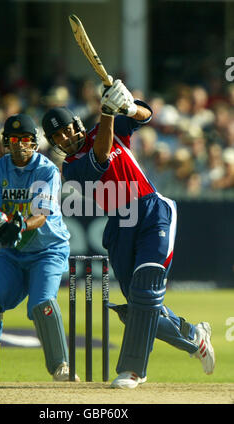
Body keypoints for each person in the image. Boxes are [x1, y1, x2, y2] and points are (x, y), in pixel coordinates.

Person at [41, 78, 215, 389]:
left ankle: (133, 370)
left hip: (151, 210)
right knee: (137, 306)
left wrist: (127, 104)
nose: (65, 137)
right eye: (58, 136)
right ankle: (193, 336)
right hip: (120, 223)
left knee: (146, 290)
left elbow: (146, 116)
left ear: (77, 124)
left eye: (67, 129)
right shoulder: (72, 166)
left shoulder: (107, 127)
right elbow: (100, 158)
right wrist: (106, 112)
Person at [0, 113, 77, 383]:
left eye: (25, 140)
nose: (19, 145)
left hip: (47, 251)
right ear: (6, 141)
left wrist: (18, 225)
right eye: (14, 140)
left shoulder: (47, 170)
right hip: (12, 254)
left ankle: (61, 367)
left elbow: (41, 216)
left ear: (34, 142)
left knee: (42, 304)